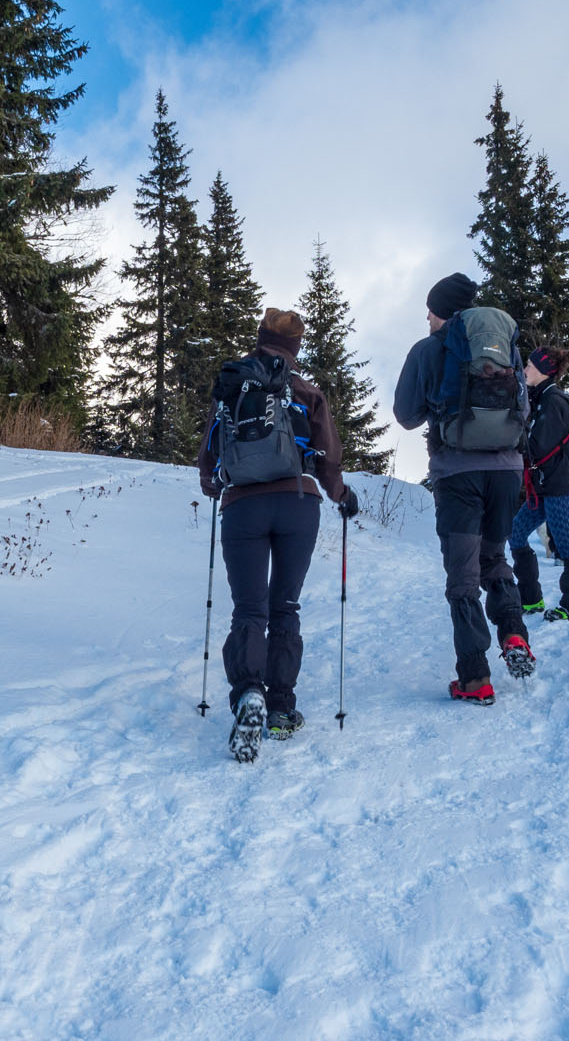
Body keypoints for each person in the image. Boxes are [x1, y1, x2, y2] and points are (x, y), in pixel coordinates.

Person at [199, 307, 358, 760]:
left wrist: (213, 483)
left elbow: (208, 455)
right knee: (283, 604)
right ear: (295, 347)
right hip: (298, 503)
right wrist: (341, 493)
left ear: (259, 338)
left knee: (248, 607)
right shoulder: (306, 391)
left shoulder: (234, 383)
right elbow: (328, 457)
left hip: (243, 506)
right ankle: (283, 709)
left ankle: (249, 693)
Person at [391, 272, 534, 706]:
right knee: (494, 557)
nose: (428, 319)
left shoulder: (428, 350)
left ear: (443, 312)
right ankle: (514, 634)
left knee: (463, 579)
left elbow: (405, 415)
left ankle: (475, 678)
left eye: (431, 311)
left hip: (458, 477)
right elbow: (522, 403)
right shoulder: (502, 345)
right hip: (507, 473)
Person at [511, 346, 569, 622]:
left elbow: (538, 446)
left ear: (544, 371)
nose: (524, 370)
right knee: (516, 534)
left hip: (559, 487)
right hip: (545, 487)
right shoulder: (541, 398)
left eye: (529, 365)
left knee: (566, 546)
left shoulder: (553, 400)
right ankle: (531, 599)